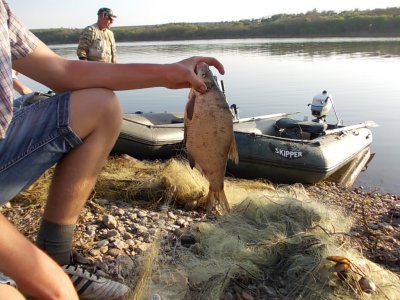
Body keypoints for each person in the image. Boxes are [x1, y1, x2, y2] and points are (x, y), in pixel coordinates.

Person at [0, 1, 224, 299]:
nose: (111, 20)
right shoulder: (89, 33)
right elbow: (80, 58)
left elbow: (61, 70)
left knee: (104, 105)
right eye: (109, 16)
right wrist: (34, 271)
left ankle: (57, 254)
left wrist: (167, 72)